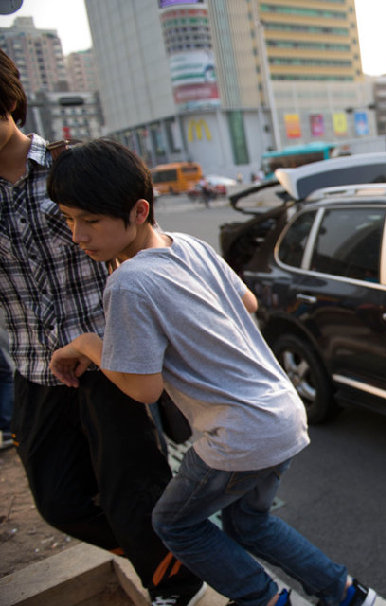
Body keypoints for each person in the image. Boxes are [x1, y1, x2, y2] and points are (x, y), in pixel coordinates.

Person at [47, 139, 378, 606]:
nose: (77, 234)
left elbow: (143, 388)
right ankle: (345, 593)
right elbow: (248, 302)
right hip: (282, 411)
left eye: (91, 220)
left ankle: (265, 600)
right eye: (68, 218)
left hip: (238, 435)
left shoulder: (130, 281)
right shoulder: (190, 245)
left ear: (138, 211)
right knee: (250, 522)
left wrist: (84, 345)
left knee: (174, 523)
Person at [0, 50, 206, 605]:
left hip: (109, 359)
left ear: (8, 103)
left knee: (133, 493)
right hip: (32, 362)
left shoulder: (71, 167)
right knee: (58, 501)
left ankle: (174, 584)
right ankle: (178, 550)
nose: (78, 231)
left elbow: (145, 243)